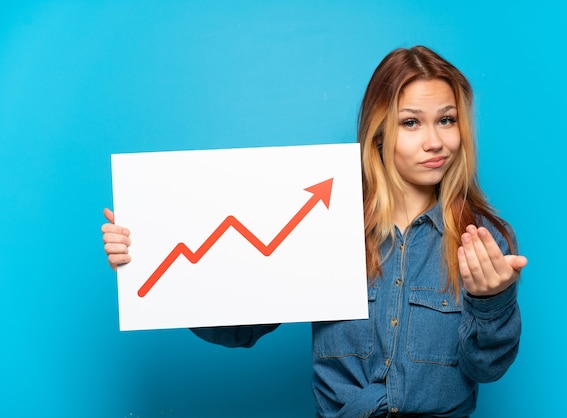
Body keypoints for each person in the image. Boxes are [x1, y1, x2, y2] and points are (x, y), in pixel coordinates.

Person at [102, 45, 527, 417]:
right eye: (411, 123)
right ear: (379, 132)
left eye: (447, 120)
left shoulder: (482, 238)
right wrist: (150, 260)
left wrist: (492, 302)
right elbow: (239, 329)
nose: (435, 142)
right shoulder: (325, 222)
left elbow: (485, 368)